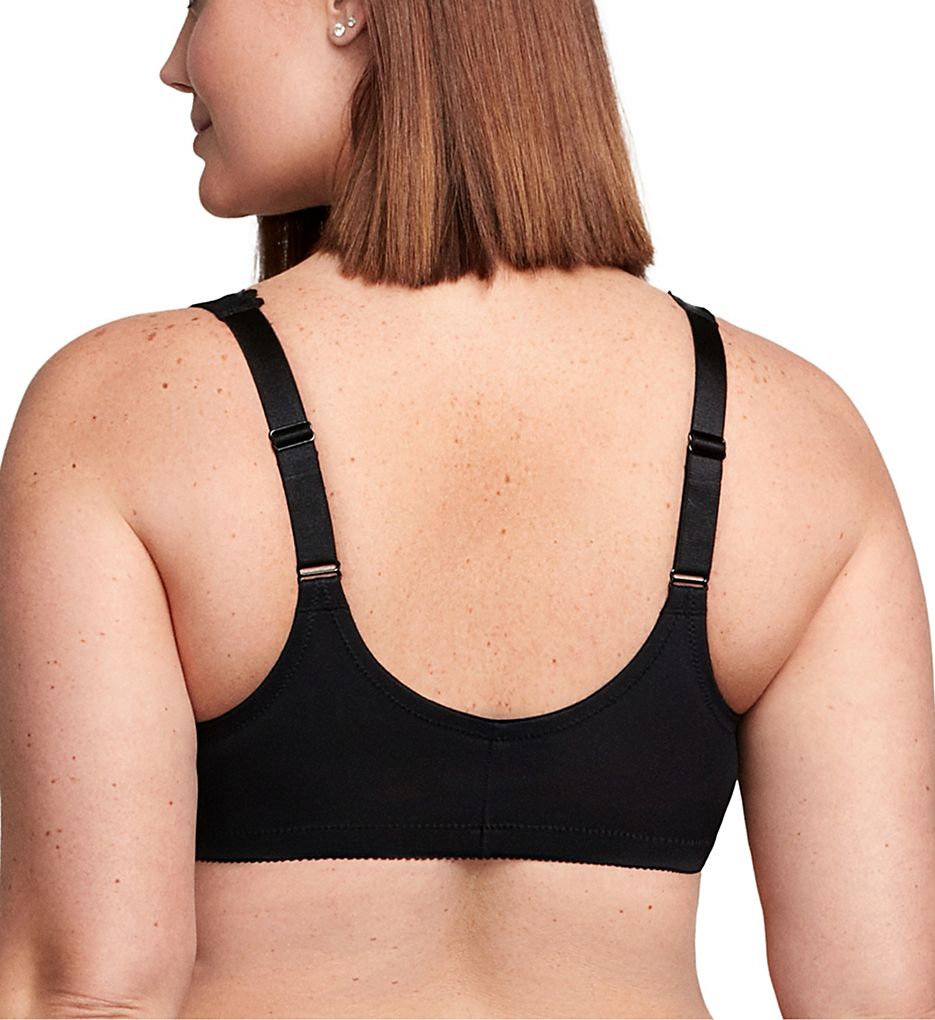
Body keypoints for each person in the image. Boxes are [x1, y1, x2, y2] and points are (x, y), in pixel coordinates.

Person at [0, 1, 933, 1018]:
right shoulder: (793, 432)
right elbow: (877, 1002)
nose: (176, 66)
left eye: (197, 4)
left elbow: (86, 993)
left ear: (347, 8)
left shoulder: (128, 408)